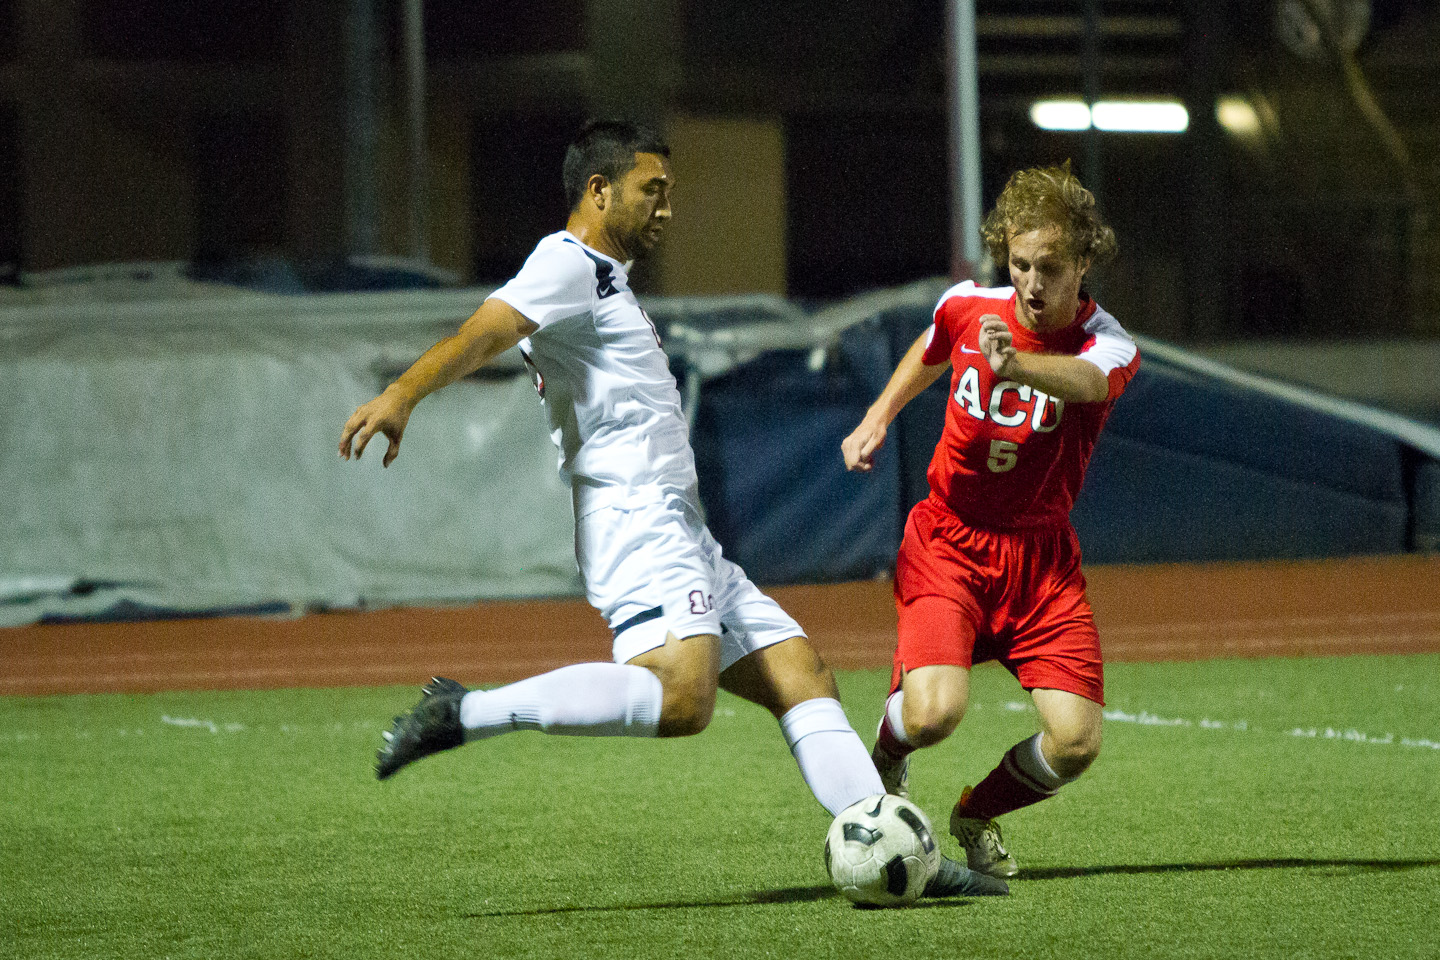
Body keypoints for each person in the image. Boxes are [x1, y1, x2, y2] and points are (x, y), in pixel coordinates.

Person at [339, 119, 1005, 898]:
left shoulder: (603, 279)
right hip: (636, 519)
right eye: (651, 190)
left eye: (669, 193)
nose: (665, 208)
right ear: (599, 190)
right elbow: (487, 329)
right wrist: (402, 393)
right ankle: (465, 712)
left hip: (674, 526)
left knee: (802, 675)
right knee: (683, 699)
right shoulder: (565, 263)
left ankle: (903, 858)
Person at [841, 162, 1139, 879]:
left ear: (1085, 262)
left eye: (1050, 267)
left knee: (1076, 742)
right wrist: (878, 416)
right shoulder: (972, 307)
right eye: (1019, 264)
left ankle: (977, 811)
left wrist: (1021, 370)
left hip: (1040, 566)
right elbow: (933, 346)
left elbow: (1091, 383)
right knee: (935, 715)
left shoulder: (1108, 343)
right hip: (949, 542)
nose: (1032, 284)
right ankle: (888, 752)